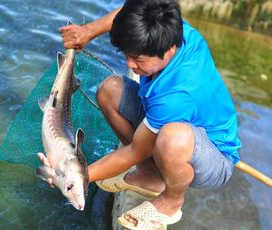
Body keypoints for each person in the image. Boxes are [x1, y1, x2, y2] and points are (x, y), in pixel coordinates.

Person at [55, 0, 242, 229]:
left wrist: (74, 177)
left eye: (138, 59)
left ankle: (172, 201)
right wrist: (87, 32)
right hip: (166, 119)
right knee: (109, 90)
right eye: (126, 55)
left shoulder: (178, 94)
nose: (131, 65)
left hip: (212, 156)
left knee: (172, 137)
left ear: (167, 48)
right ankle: (149, 174)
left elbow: (135, 150)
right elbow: (130, 14)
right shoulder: (168, 28)